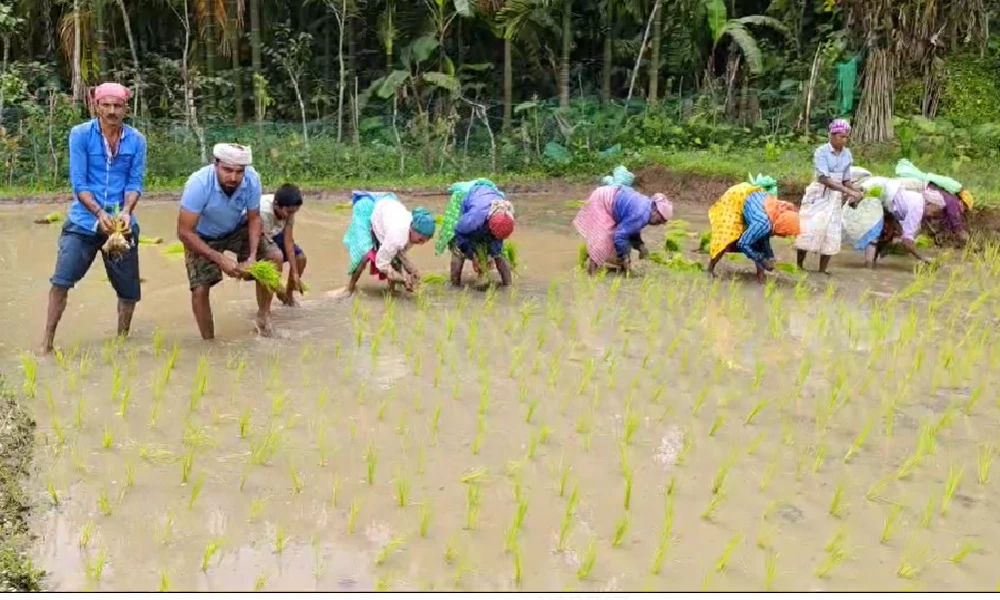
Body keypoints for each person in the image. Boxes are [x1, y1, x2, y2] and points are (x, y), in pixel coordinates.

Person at [41, 82, 147, 354]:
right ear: (96, 106)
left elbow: (134, 183)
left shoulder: (136, 140)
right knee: (61, 281)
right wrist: (99, 213)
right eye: (106, 105)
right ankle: (47, 342)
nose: (112, 111)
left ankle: (122, 341)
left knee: (128, 290)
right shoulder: (80, 135)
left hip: (120, 223)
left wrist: (125, 211)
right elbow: (79, 184)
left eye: (118, 106)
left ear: (126, 108)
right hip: (83, 221)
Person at [176, 143, 284, 339]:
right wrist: (219, 258)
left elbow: (254, 218)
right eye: (227, 170)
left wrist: (251, 256)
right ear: (215, 164)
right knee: (199, 289)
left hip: (235, 227)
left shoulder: (251, 179)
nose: (233, 177)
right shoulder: (199, 184)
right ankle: (208, 342)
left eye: (239, 172)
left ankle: (263, 316)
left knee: (274, 256)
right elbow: (184, 232)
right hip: (202, 235)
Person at [795, 119, 865, 274]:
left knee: (831, 231)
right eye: (841, 136)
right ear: (831, 136)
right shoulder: (822, 152)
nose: (844, 140)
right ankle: (799, 265)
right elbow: (823, 178)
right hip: (819, 194)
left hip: (836, 197)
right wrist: (848, 191)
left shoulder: (847, 154)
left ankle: (822, 270)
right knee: (809, 228)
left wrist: (855, 191)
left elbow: (846, 179)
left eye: (846, 137)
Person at [706, 176, 801, 283]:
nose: (784, 235)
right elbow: (742, 244)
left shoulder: (777, 212)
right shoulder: (763, 223)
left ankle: (760, 276)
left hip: (752, 197)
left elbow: (764, 238)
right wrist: (762, 260)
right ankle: (710, 269)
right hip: (736, 198)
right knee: (726, 238)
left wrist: (770, 257)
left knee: (759, 239)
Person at [344, 192, 436, 294]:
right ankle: (349, 289)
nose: (421, 243)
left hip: (388, 211)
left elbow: (400, 252)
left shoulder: (414, 229)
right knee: (364, 256)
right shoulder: (397, 235)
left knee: (395, 260)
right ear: (412, 229)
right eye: (420, 240)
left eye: (425, 241)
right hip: (373, 215)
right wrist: (403, 279)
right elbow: (381, 264)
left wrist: (411, 269)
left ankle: (392, 292)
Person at [573, 185, 673, 275]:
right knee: (605, 238)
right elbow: (620, 235)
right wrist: (624, 257)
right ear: (655, 211)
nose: (657, 224)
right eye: (659, 221)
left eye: (661, 223)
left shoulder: (647, 208)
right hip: (602, 201)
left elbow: (631, 229)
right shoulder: (641, 214)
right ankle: (592, 272)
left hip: (610, 196)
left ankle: (620, 268)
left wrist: (640, 247)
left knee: (623, 244)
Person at [435, 179, 515, 287]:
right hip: (465, 198)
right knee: (457, 247)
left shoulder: (506, 214)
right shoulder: (473, 219)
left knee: (499, 252)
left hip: (486, 196)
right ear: (490, 225)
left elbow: (497, 243)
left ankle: (509, 285)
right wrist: (473, 255)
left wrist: (491, 254)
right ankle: (454, 285)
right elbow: (459, 232)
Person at [260, 183, 307, 306]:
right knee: (277, 258)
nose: (291, 215)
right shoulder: (264, 211)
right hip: (258, 234)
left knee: (300, 258)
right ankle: (267, 307)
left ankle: (288, 295)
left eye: (294, 212)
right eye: (289, 212)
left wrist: (295, 274)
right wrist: (277, 285)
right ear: (276, 205)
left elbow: (288, 241)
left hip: (273, 233)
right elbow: (263, 240)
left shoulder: (289, 211)